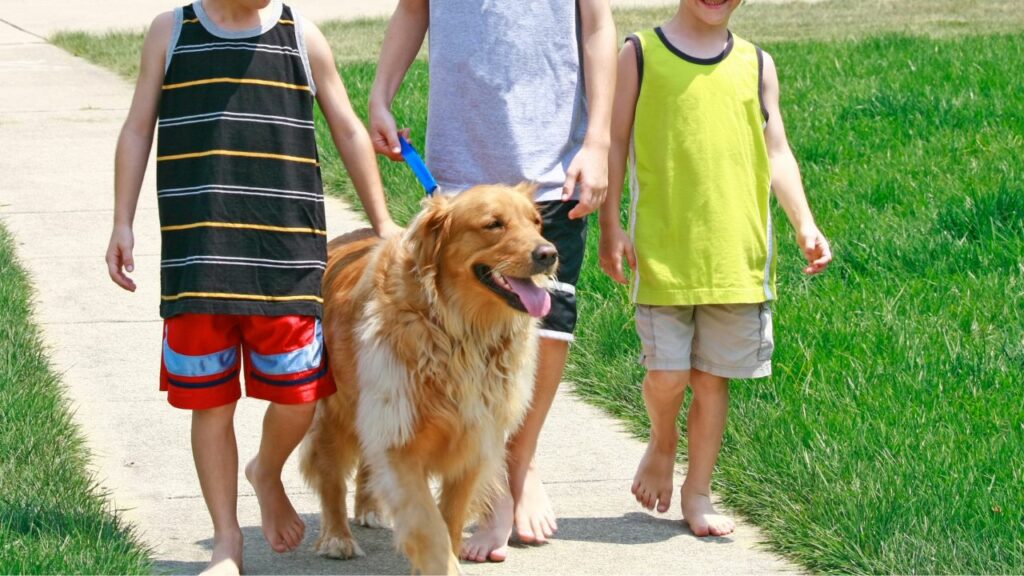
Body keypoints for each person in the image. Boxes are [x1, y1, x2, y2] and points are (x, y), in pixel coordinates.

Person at [104, 1, 398, 573]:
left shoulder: (302, 38)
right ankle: (225, 540)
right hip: (200, 257)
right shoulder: (171, 33)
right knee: (210, 403)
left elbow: (346, 129)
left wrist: (383, 222)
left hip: (285, 259)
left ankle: (266, 468)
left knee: (299, 393)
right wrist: (122, 219)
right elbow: (138, 128)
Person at [368, 0, 616, 563]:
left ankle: (515, 468)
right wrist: (380, 96)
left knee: (546, 324)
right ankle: (478, 460)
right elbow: (413, 11)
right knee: (458, 330)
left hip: (554, 165)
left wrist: (597, 140)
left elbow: (597, 24)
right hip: (459, 172)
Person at [598, 0, 832, 538]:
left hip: (736, 256)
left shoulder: (757, 63)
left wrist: (805, 223)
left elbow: (777, 152)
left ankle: (698, 490)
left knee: (710, 381)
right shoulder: (641, 54)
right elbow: (613, 145)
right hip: (663, 255)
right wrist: (612, 227)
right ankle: (661, 443)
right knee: (668, 374)